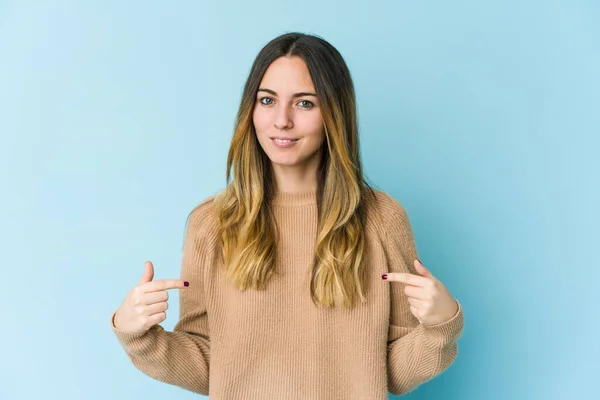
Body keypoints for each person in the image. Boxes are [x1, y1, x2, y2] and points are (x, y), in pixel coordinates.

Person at [111, 32, 464, 399]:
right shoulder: (211, 225)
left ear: (334, 113)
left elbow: (390, 372)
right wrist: (135, 333)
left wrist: (440, 325)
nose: (282, 121)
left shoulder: (381, 219)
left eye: (305, 104)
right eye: (267, 100)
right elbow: (209, 366)